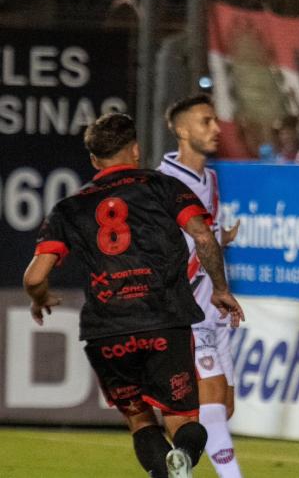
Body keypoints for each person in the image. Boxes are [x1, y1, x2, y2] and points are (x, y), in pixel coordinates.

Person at [23, 113, 244, 478]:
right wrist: (220, 290)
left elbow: (34, 276)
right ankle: (184, 459)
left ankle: (168, 472)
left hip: (107, 331)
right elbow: (204, 237)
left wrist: (39, 298)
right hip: (164, 321)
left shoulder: (69, 208)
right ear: (136, 150)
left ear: (94, 160)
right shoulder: (164, 187)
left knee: (140, 421)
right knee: (183, 418)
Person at [158, 94, 244, 478]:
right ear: (181, 129)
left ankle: (180, 464)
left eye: (215, 121)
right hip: (186, 304)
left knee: (223, 407)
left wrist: (216, 239)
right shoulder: (163, 183)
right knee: (209, 402)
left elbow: (196, 238)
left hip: (213, 304)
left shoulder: (207, 177)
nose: (216, 129)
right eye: (206, 122)